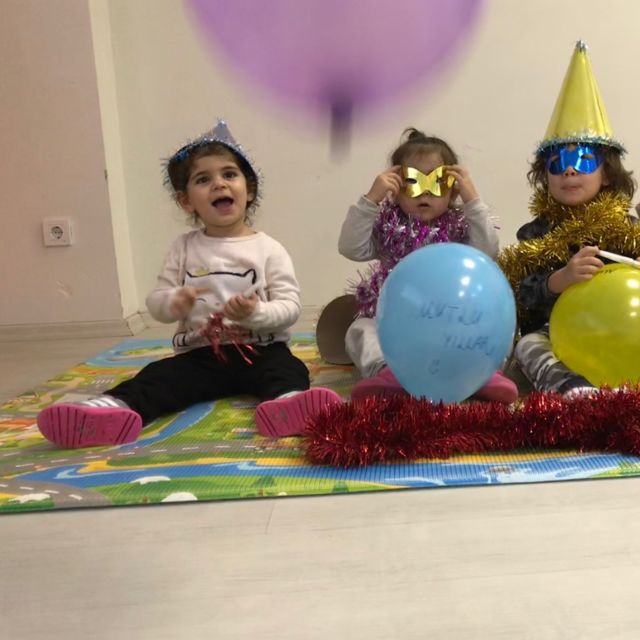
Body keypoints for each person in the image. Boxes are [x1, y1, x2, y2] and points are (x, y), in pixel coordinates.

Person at [37, 120, 341, 448]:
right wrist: (173, 302)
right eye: (203, 179)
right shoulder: (183, 248)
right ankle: (110, 408)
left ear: (249, 190)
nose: (218, 184)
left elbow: (290, 307)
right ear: (186, 201)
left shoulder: (268, 249)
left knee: (289, 370)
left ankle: (289, 405)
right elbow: (157, 302)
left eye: (229, 174)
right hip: (201, 356)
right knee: (159, 377)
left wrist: (256, 314)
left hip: (262, 351)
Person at [499, 42, 639, 397]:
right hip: (560, 334)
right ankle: (573, 391)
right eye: (557, 163)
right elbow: (523, 297)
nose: (570, 171)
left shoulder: (626, 228)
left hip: (623, 330)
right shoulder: (536, 233)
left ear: (607, 174)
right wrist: (559, 280)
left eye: (583, 160)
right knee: (528, 345)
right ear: (544, 176)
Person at [338, 127, 518, 403]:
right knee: (360, 329)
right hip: (398, 325)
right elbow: (351, 247)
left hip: (454, 323)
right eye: (412, 181)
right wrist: (371, 199)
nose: (424, 193)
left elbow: (488, 252)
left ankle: (483, 373)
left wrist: (472, 200)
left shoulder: (460, 227)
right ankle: (387, 372)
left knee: (495, 324)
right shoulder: (388, 228)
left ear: (452, 190)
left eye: (436, 182)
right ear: (396, 189)